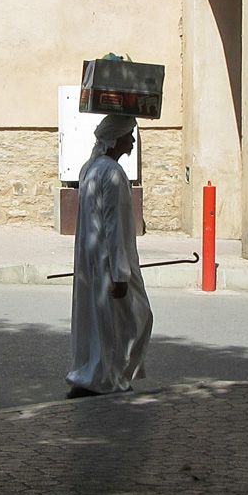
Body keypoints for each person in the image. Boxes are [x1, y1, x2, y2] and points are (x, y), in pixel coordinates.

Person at [66, 113, 154, 398]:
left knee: (100, 319)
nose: (131, 140)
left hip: (93, 262)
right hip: (109, 263)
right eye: (129, 134)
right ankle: (109, 376)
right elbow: (114, 226)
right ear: (116, 138)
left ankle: (98, 371)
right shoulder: (112, 173)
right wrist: (120, 274)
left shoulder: (90, 168)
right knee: (133, 317)